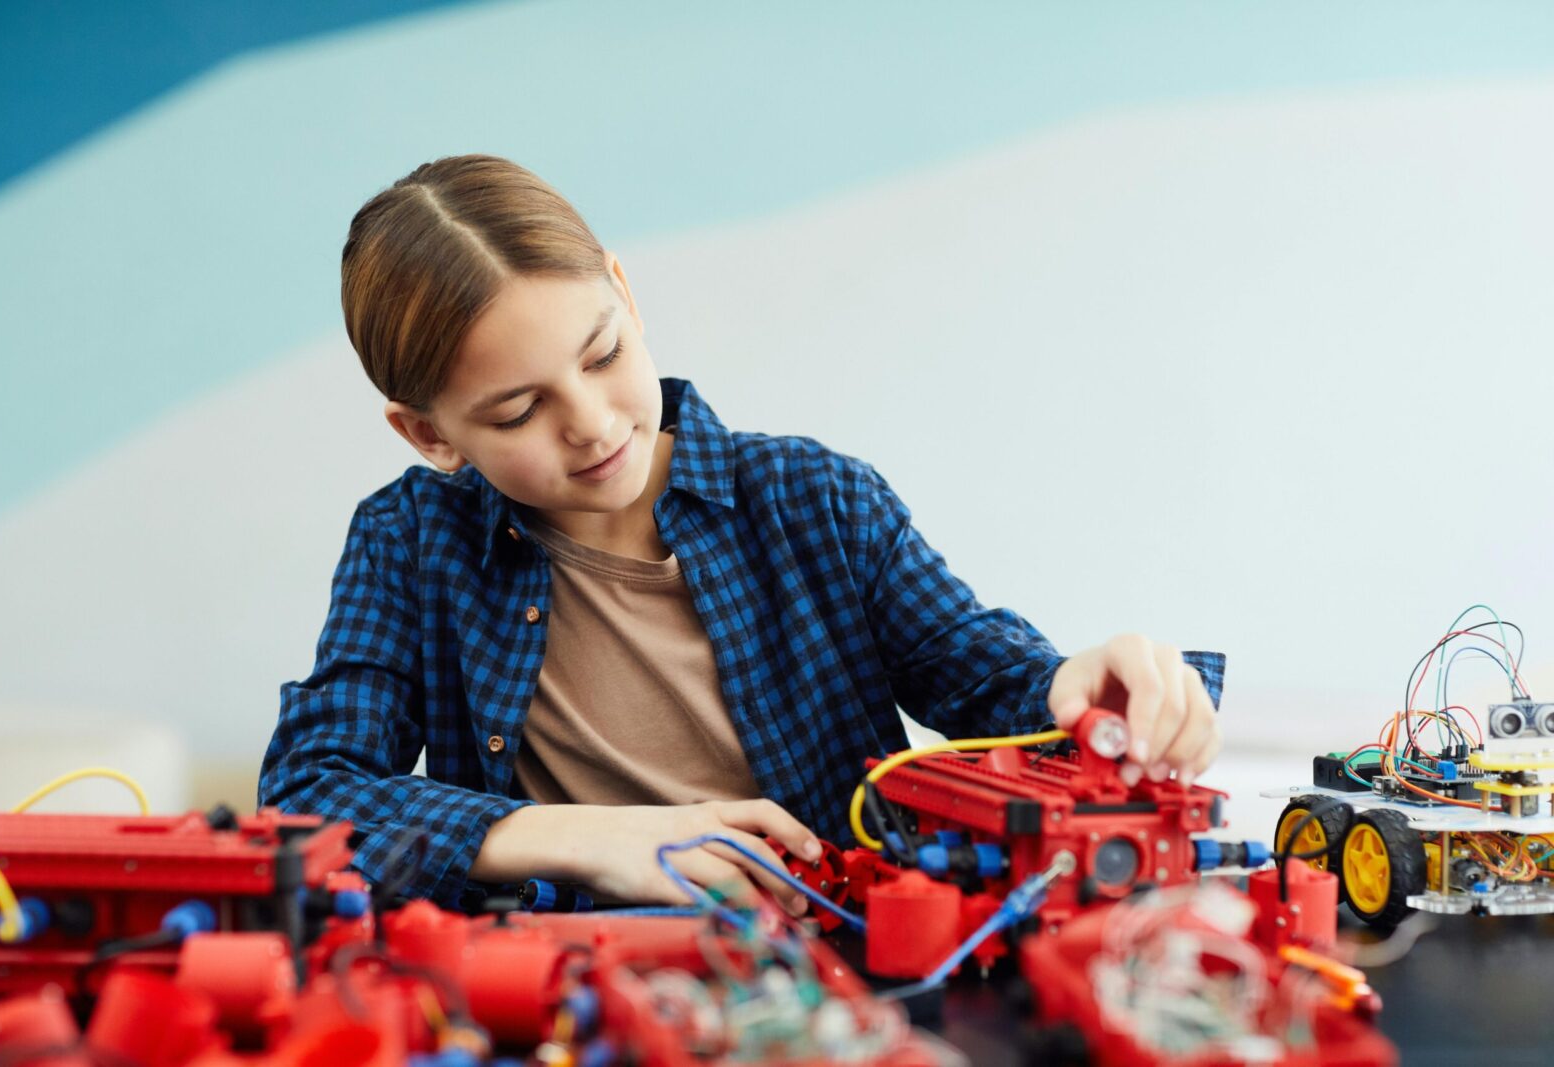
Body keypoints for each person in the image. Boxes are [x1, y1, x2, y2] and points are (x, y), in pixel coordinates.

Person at [258, 154, 1224, 916]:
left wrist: (1073, 685)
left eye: (604, 354)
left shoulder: (815, 498)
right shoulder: (406, 540)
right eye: (517, 413)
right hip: (560, 968)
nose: (591, 421)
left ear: (628, 298)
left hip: (838, 950)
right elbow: (307, 793)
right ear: (429, 433)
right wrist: (578, 836)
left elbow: (986, 682)